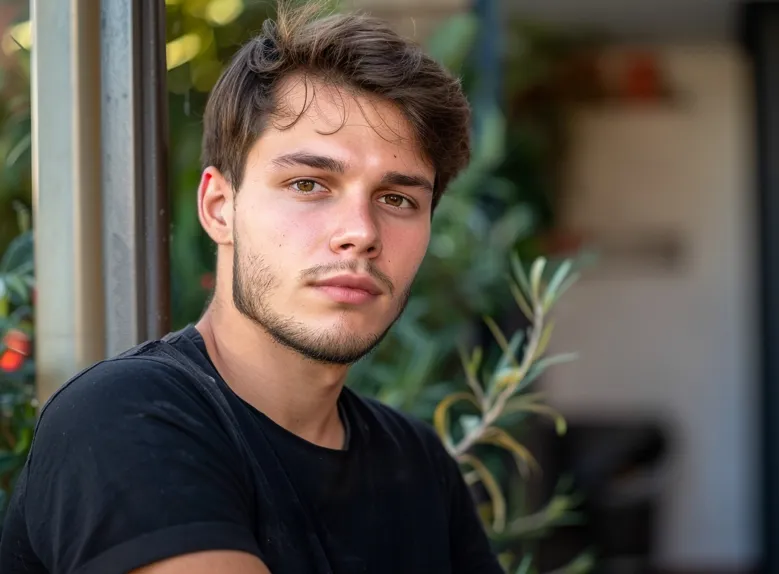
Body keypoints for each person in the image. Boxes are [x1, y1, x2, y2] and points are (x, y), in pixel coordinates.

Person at [0, 3, 504, 573]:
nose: (360, 233)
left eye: (397, 199)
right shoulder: (124, 417)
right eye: (309, 183)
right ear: (220, 208)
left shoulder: (417, 464)